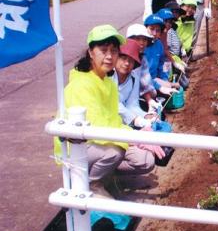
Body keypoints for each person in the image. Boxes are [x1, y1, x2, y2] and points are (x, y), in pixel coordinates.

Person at [57, 25, 162, 197]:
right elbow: (97, 128)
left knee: (145, 160)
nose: (109, 56)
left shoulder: (107, 82)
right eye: (103, 50)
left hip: (102, 141)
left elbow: (114, 120)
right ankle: (89, 185)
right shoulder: (82, 84)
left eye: (113, 51)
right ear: (91, 52)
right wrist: (134, 137)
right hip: (79, 146)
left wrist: (139, 134)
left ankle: (106, 176)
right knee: (115, 151)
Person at [143, 14, 179, 95]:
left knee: (173, 87)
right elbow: (141, 75)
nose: (154, 33)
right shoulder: (142, 46)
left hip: (154, 79)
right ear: (146, 28)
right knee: (156, 92)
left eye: (158, 30)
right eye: (151, 29)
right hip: (144, 80)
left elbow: (162, 64)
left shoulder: (159, 44)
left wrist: (164, 79)